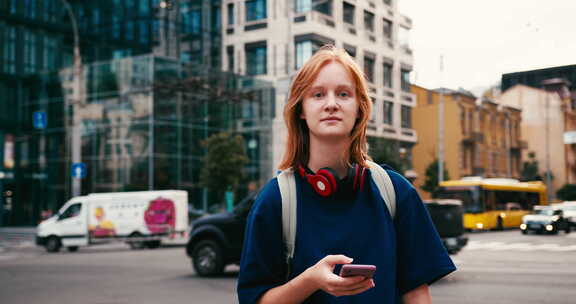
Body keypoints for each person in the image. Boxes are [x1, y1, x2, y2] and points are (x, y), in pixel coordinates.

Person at [237, 45, 456, 303]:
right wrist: (310, 280)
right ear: (301, 111)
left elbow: (417, 293)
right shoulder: (276, 200)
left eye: (343, 94)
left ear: (360, 108)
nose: (331, 104)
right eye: (317, 95)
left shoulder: (395, 191)